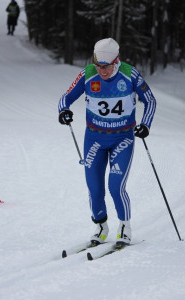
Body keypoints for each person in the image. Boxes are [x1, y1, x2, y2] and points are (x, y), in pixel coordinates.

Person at [58, 38, 157, 247]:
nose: (102, 71)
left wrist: (145, 125)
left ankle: (124, 226)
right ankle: (101, 226)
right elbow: (65, 97)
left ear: (116, 60)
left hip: (122, 138)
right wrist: (64, 111)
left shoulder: (130, 74)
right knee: (94, 189)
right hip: (94, 139)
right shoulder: (88, 74)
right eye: (98, 65)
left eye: (106, 66)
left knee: (115, 186)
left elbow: (150, 100)